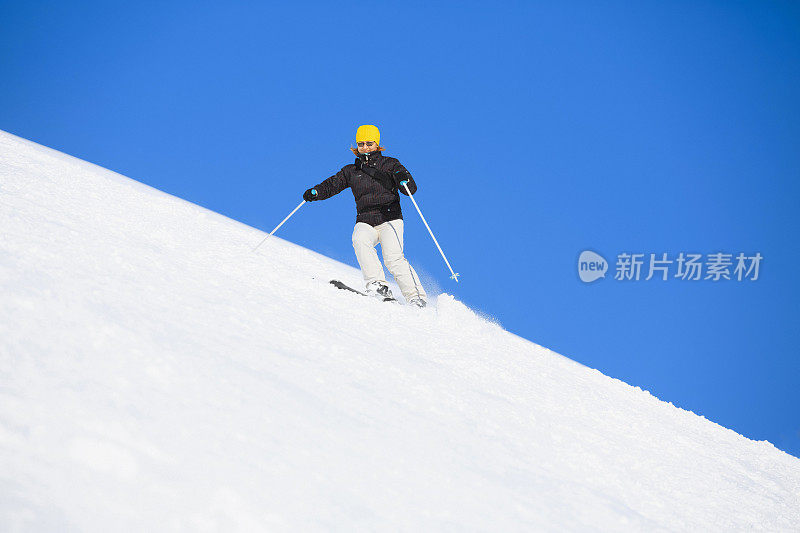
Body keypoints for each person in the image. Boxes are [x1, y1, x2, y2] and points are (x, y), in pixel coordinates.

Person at [303, 125, 428, 307]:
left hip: (389, 218)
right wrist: (316, 192)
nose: (365, 147)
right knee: (359, 239)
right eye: (361, 144)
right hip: (366, 219)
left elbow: (410, 190)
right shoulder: (351, 171)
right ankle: (378, 285)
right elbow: (332, 184)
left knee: (393, 258)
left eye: (369, 143)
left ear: (377, 144)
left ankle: (416, 297)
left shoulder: (390, 164)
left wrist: (403, 178)